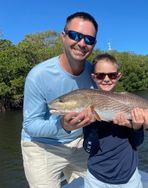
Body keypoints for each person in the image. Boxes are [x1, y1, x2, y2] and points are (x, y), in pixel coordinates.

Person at [21, 12, 98, 188]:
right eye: (75, 35)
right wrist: (62, 126)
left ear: (94, 44)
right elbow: (30, 125)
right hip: (42, 146)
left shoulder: (94, 72)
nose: (81, 43)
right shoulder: (38, 76)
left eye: (89, 39)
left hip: (80, 143)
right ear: (63, 36)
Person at [83, 53, 144, 188]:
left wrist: (136, 127)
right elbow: (89, 149)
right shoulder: (88, 106)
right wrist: (92, 124)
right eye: (100, 75)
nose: (106, 79)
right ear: (93, 77)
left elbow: (138, 142)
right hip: (96, 178)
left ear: (118, 76)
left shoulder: (131, 103)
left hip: (129, 177)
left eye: (111, 75)